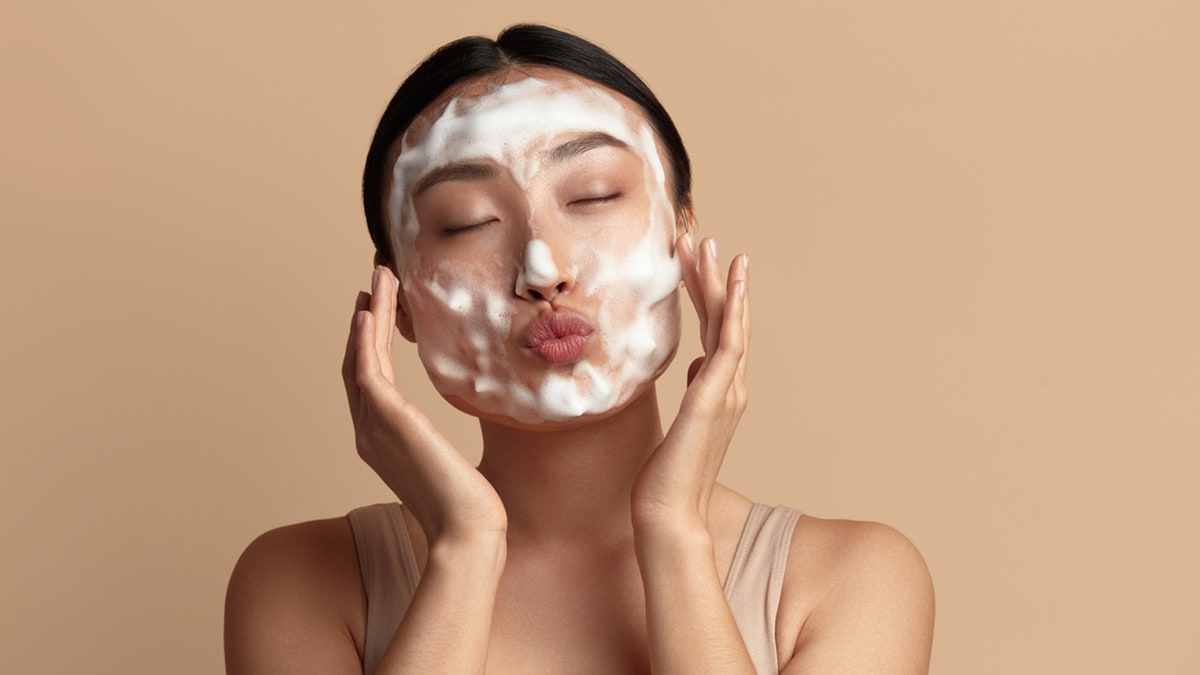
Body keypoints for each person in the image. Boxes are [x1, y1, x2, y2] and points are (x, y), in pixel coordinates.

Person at [224, 24, 934, 674]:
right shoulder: (301, 583)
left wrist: (673, 531)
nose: (542, 268)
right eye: (467, 223)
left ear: (681, 236)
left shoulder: (851, 579)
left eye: (592, 196)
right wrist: (465, 547)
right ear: (399, 300)